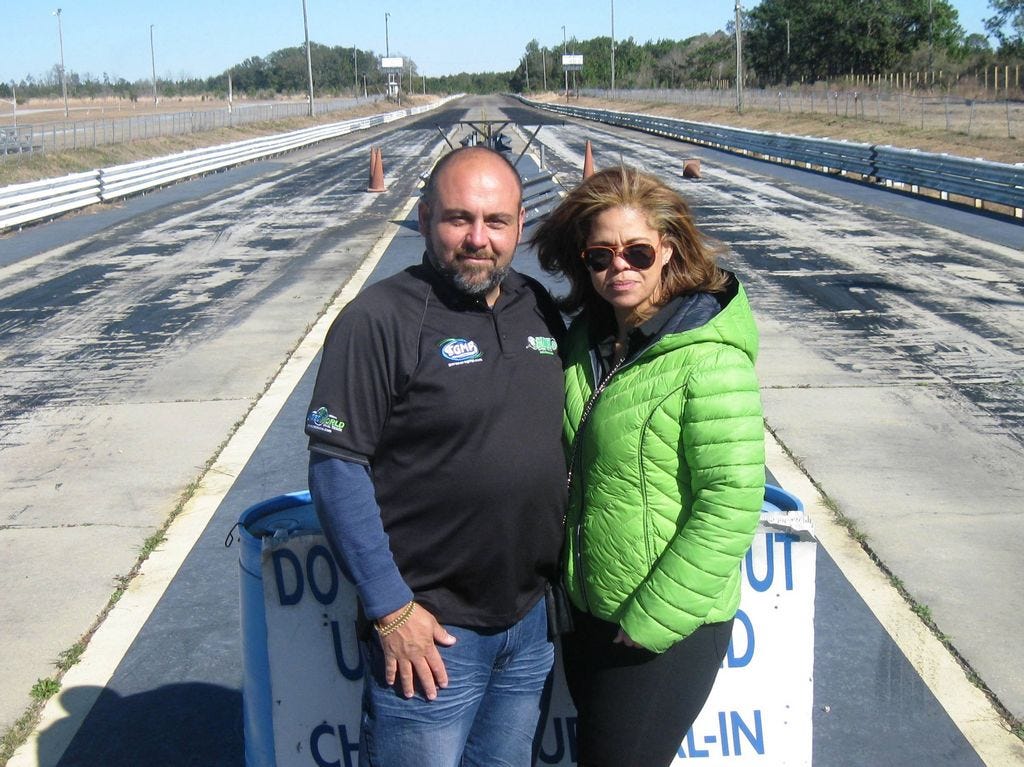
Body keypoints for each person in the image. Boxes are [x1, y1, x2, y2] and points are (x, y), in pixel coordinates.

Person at [304, 146, 567, 767]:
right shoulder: (378, 320)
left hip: (529, 623)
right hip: (431, 634)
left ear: (520, 225)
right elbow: (336, 469)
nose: (479, 239)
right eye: (458, 219)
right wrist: (392, 611)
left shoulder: (539, 306)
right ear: (423, 220)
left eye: (496, 221)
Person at [531, 166, 765, 767]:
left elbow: (731, 502)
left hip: (660, 628)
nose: (620, 268)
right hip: (590, 612)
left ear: (668, 251)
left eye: (637, 251)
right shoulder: (589, 342)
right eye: (600, 255)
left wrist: (650, 621)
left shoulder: (710, 362)